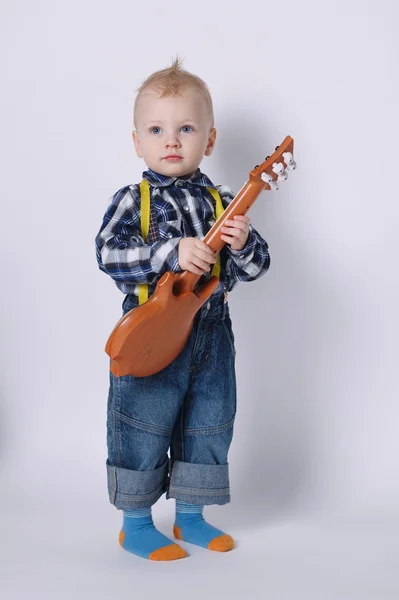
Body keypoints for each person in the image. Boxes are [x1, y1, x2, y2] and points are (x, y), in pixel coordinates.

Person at [95, 57, 270, 561]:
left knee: (209, 421)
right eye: (156, 129)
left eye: (186, 128)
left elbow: (259, 268)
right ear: (137, 142)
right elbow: (107, 253)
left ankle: (190, 517)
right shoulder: (134, 200)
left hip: (212, 334)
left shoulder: (225, 202)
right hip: (152, 333)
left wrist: (240, 246)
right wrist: (167, 253)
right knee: (142, 422)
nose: (171, 141)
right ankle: (136, 523)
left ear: (209, 140)